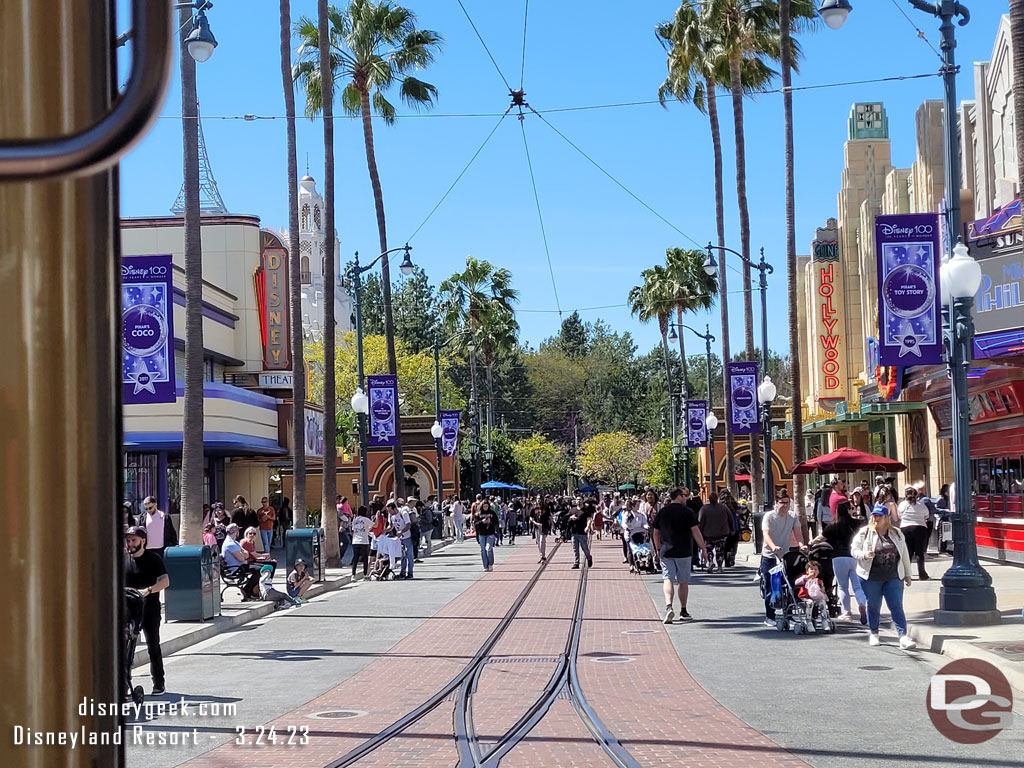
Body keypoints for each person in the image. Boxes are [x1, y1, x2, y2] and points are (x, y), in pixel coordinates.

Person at [852, 505, 916, 649]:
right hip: (870, 577)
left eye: (879, 516)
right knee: (873, 605)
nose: (876, 518)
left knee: (896, 606)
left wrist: (907, 574)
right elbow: (854, 549)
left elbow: (904, 554)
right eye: (874, 515)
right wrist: (863, 555)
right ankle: (874, 632)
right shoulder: (865, 532)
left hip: (893, 576)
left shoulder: (897, 533)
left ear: (886, 518)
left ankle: (903, 637)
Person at [124, 526, 170, 695]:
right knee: (125, 649)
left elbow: (165, 581)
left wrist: (149, 590)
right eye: (128, 541)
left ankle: (159, 683)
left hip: (149, 609)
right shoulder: (122, 559)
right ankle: (124, 684)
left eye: (133, 540)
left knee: (153, 647)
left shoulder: (153, 559)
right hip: (128, 611)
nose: (130, 544)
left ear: (143, 541)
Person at [651, 488, 707, 623]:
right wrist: (703, 548)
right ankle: (683, 610)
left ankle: (669, 606)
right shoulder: (687, 512)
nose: (686, 498)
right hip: (683, 551)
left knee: (667, 579)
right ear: (679, 496)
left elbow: (656, 532)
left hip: (666, 551)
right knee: (683, 581)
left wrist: (658, 548)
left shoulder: (663, 511)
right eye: (685, 495)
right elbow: (695, 531)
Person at [812, 500, 867, 623]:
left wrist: (810, 543)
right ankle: (862, 603)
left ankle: (847, 613)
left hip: (838, 557)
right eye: (851, 508)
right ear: (848, 510)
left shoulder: (832, 525)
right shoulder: (857, 523)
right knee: (857, 585)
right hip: (854, 556)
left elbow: (821, 538)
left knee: (843, 587)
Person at [759, 495, 807, 627]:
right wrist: (773, 546)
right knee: (771, 586)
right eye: (782, 503)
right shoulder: (769, 517)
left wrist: (802, 544)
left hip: (785, 555)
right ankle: (770, 616)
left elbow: (797, 532)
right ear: (776, 503)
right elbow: (766, 534)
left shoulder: (792, 516)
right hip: (770, 556)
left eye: (787, 503)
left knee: (790, 585)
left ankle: (789, 614)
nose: (785, 505)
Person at [897, 485, 931, 580]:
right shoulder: (921, 505)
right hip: (920, 528)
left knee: (907, 553)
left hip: (905, 528)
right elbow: (926, 516)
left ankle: (905, 573)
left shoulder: (902, 505)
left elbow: (899, 515)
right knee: (919, 552)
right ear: (916, 496)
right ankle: (922, 574)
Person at [698, 492, 734, 572]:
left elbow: (701, 521)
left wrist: (700, 532)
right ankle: (720, 566)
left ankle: (710, 562)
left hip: (708, 534)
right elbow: (730, 519)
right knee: (720, 549)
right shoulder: (723, 508)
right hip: (721, 533)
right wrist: (732, 529)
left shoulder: (704, 508)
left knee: (709, 549)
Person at [222, 524, 260, 600]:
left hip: (241, 565)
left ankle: (250, 590)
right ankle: (248, 591)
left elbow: (246, 554)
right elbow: (242, 558)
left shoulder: (234, 542)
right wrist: (244, 554)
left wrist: (244, 554)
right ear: (235, 532)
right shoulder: (230, 544)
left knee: (261, 567)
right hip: (237, 568)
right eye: (237, 530)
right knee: (259, 570)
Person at [388, 500, 414, 579]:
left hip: (407, 537)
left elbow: (408, 525)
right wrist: (384, 531)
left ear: (394, 509)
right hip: (400, 539)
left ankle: (410, 573)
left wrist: (401, 531)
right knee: (402, 556)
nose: (389, 512)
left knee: (409, 555)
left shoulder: (403, 513)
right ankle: (402, 572)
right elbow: (391, 526)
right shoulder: (391, 516)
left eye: (390, 510)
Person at [474, 499, 499, 571]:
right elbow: (476, 523)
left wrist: (490, 522)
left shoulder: (492, 513)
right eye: (484, 506)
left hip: (490, 533)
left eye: (486, 506)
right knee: (483, 550)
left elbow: (496, 522)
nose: (485, 507)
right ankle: (485, 565)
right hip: (482, 533)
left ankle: (490, 564)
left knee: (489, 548)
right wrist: (482, 521)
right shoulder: (478, 514)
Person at [568, 501, 594, 569]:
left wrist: (587, 527)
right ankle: (576, 563)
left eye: (580, 500)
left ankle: (589, 558)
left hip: (582, 532)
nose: (578, 501)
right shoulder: (572, 510)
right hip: (574, 532)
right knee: (575, 548)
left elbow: (589, 519)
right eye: (577, 499)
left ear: (582, 501)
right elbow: (568, 518)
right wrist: (571, 518)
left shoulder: (586, 510)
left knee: (584, 548)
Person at [349, 506, 372, 578]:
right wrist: (377, 516)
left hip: (355, 541)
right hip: (364, 541)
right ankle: (365, 574)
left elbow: (353, 529)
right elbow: (375, 525)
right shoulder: (366, 519)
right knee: (365, 558)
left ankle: (353, 575)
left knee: (355, 558)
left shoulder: (355, 520)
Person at [337, 495, 352, 565]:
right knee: (345, 542)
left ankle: (339, 558)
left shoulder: (340, 507)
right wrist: (347, 518)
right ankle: (339, 558)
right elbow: (342, 516)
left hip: (342, 528)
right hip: (340, 529)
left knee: (344, 543)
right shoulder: (339, 509)